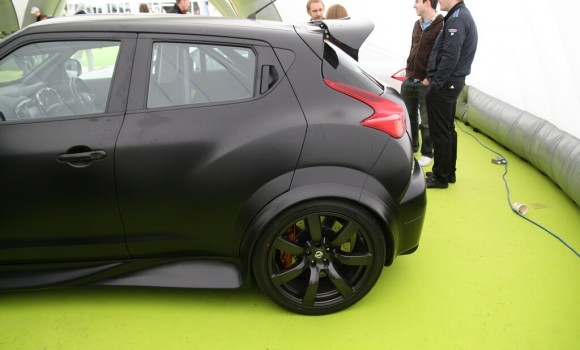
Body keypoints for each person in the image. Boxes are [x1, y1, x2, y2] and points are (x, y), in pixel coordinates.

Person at [425, 0, 477, 188]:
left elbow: (450, 55)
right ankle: (447, 172)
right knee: (447, 129)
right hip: (452, 83)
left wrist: (437, 83)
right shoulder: (460, 16)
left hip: (446, 84)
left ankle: (440, 177)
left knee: (440, 131)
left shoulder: (457, 19)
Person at [400, 0, 444, 167]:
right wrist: (408, 73)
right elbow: (413, 48)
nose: (414, 6)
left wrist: (429, 78)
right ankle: (412, 147)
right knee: (408, 117)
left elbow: (440, 55)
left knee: (426, 120)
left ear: (427, 3)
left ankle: (427, 152)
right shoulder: (417, 24)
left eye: (417, 2)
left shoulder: (442, 25)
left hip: (426, 82)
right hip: (410, 78)